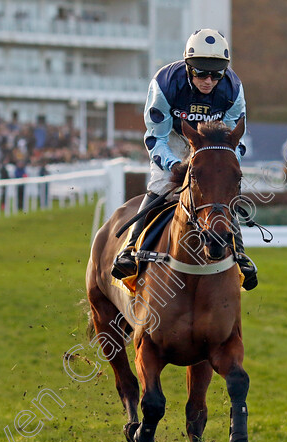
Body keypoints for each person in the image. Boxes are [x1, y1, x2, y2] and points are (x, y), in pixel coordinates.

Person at [111, 28, 259, 290]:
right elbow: (155, 137)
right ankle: (132, 248)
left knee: (220, 189)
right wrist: (174, 166)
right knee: (161, 186)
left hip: (213, 142)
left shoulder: (233, 88)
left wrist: (224, 164)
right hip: (172, 139)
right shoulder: (165, 83)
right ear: (188, 67)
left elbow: (238, 137)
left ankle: (240, 254)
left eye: (215, 74)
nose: (208, 81)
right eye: (201, 73)